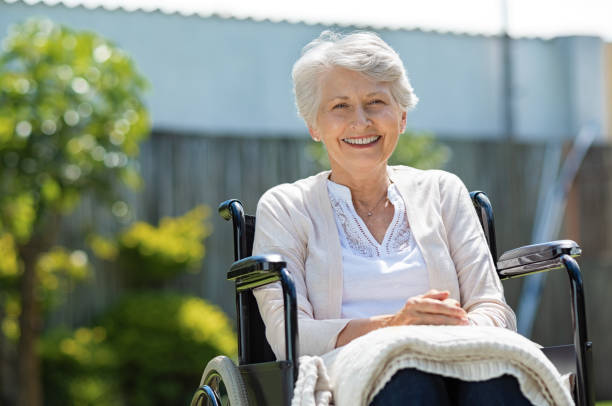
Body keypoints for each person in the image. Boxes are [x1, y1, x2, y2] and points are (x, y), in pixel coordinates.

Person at [252, 30, 532, 405]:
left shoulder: (442, 191)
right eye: (340, 106)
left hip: (459, 356)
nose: (361, 121)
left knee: (499, 382)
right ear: (313, 126)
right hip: (349, 372)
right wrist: (395, 327)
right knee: (409, 380)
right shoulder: (286, 207)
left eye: (375, 102)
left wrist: (450, 335)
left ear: (401, 117)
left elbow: (493, 308)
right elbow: (290, 334)